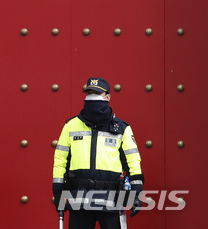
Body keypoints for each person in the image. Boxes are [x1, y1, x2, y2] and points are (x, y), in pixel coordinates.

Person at [52, 77, 144, 229]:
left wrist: (136, 193)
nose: (91, 97)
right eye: (89, 93)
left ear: (108, 97)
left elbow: (133, 161)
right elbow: (60, 160)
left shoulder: (122, 128)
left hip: (111, 200)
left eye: (97, 93)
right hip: (79, 199)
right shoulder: (70, 126)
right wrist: (57, 192)